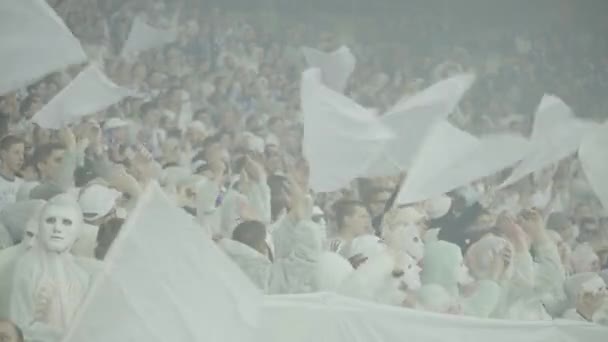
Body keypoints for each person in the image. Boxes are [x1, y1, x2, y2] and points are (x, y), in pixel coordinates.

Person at [10, 194, 91, 340]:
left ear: (78, 231)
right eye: (50, 220)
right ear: (40, 226)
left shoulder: (82, 276)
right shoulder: (27, 267)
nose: (57, 228)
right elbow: (17, 326)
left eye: (66, 222)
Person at [0, 135, 25, 209]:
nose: (21, 158)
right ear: (3, 154)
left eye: (23, 153)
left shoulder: (23, 184)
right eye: (16, 152)